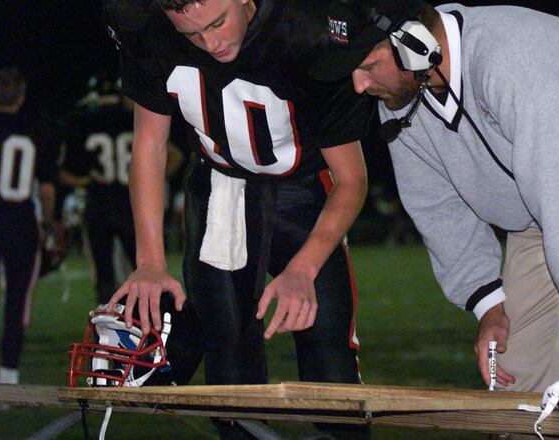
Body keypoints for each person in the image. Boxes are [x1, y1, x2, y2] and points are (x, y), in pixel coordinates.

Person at [313, 0, 559, 393]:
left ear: (414, 43)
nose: (359, 85)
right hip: (542, 201)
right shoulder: (400, 97)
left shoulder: (511, 61)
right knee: (513, 375)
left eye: (367, 66)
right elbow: (438, 208)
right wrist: (489, 305)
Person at [103, 1, 372, 438]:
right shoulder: (146, 25)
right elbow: (149, 146)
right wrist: (149, 262)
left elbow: (352, 178)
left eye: (217, 23)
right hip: (218, 193)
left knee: (332, 378)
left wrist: (303, 269)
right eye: (191, 35)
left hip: (303, 196)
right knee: (230, 380)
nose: (210, 43)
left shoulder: (304, 30)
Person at [59, 77, 184, 305]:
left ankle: (107, 322)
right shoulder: (131, 119)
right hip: (131, 203)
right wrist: (150, 180)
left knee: (104, 275)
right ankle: (156, 318)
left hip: (99, 204)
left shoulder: (84, 122)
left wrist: (87, 181)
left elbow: (65, 173)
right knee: (148, 268)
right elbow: (174, 156)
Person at [0, 66, 59, 384]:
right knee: (16, 300)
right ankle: (8, 375)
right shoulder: (36, 129)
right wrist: (47, 222)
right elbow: (46, 188)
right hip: (19, 222)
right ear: (21, 96)